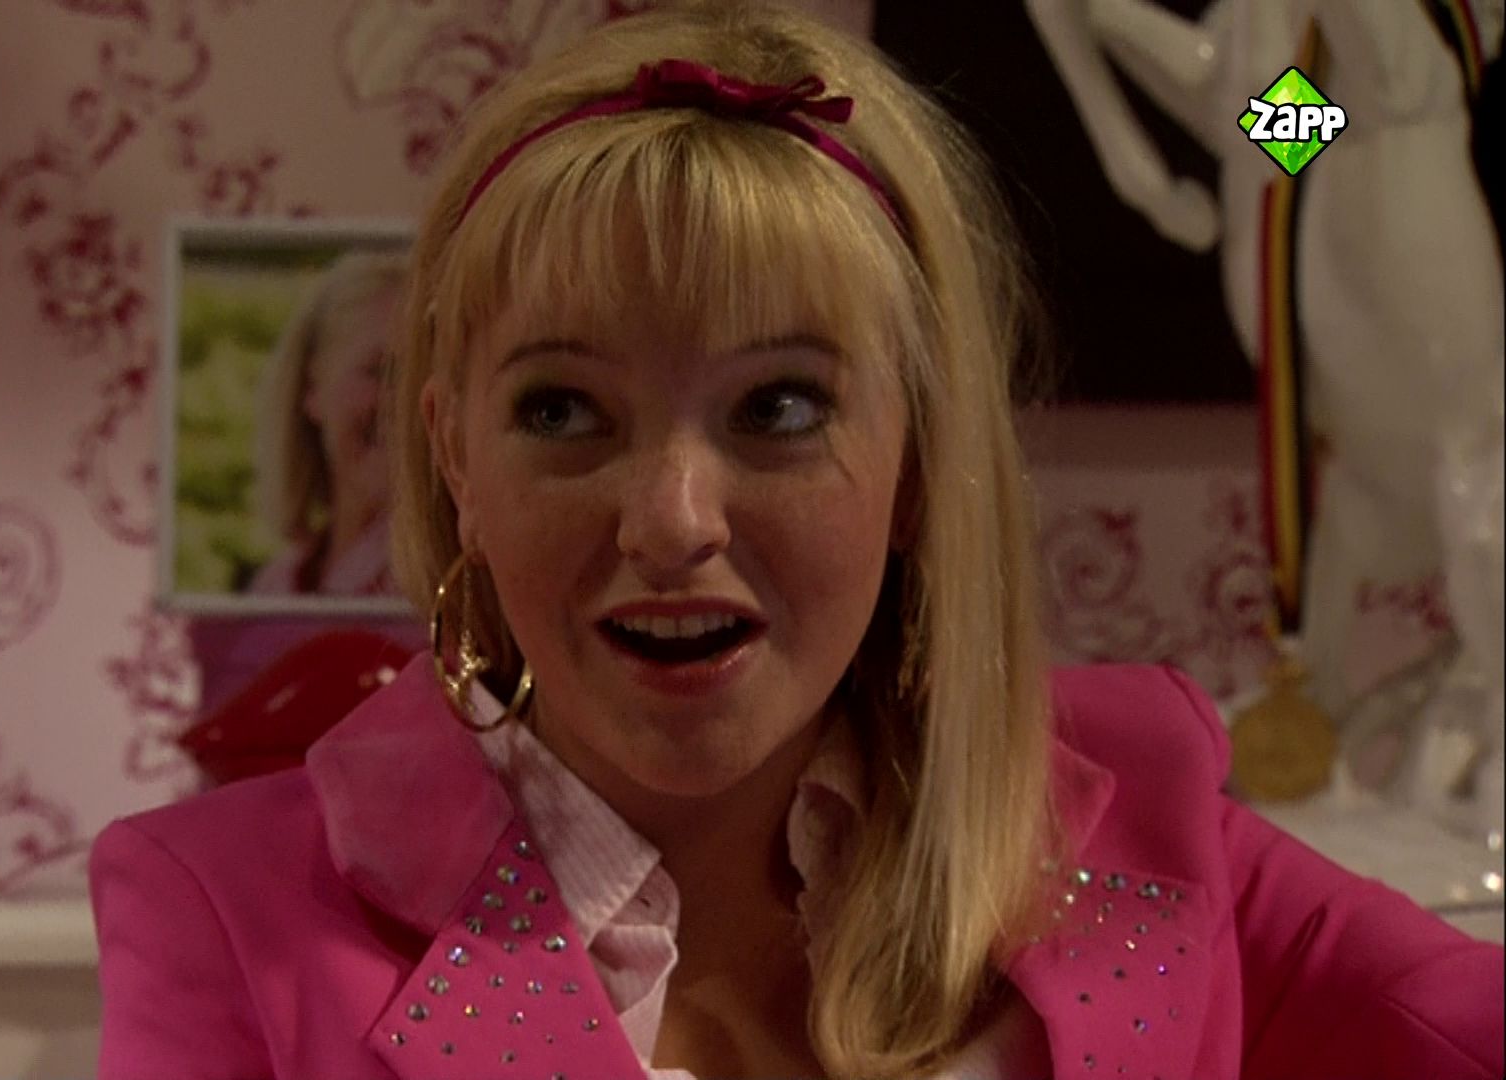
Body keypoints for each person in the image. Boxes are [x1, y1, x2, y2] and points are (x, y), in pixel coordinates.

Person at [92, 3, 1506, 1077]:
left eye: (778, 406)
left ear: (918, 465)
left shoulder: (1142, 814)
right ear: (456, 457)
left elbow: (1280, 120)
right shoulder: (226, 912)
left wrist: (1310, 145)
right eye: (564, 411)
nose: (671, 521)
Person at [245, 249, 405, 597]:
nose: (402, 401)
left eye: (421, 373)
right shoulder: (275, 586)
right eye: (377, 371)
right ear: (312, 388)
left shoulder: (441, 583)